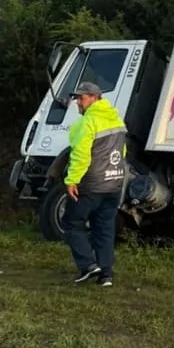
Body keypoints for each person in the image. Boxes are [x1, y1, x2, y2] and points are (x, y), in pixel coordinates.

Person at [62, 82, 128, 287]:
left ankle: (88, 265)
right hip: (114, 183)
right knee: (104, 228)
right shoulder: (117, 119)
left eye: (81, 98)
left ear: (93, 97)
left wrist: (72, 180)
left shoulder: (87, 123)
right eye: (76, 98)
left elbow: (81, 156)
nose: (77, 102)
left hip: (91, 185)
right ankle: (106, 275)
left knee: (72, 222)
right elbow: (123, 152)